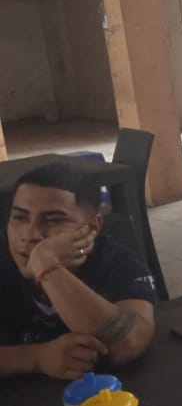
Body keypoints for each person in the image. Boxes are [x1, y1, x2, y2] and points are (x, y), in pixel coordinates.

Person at [0, 163, 157, 380]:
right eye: (20, 217)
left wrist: (46, 264)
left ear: (92, 227)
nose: (30, 234)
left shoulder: (116, 261)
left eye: (54, 220)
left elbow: (128, 343)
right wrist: (37, 357)